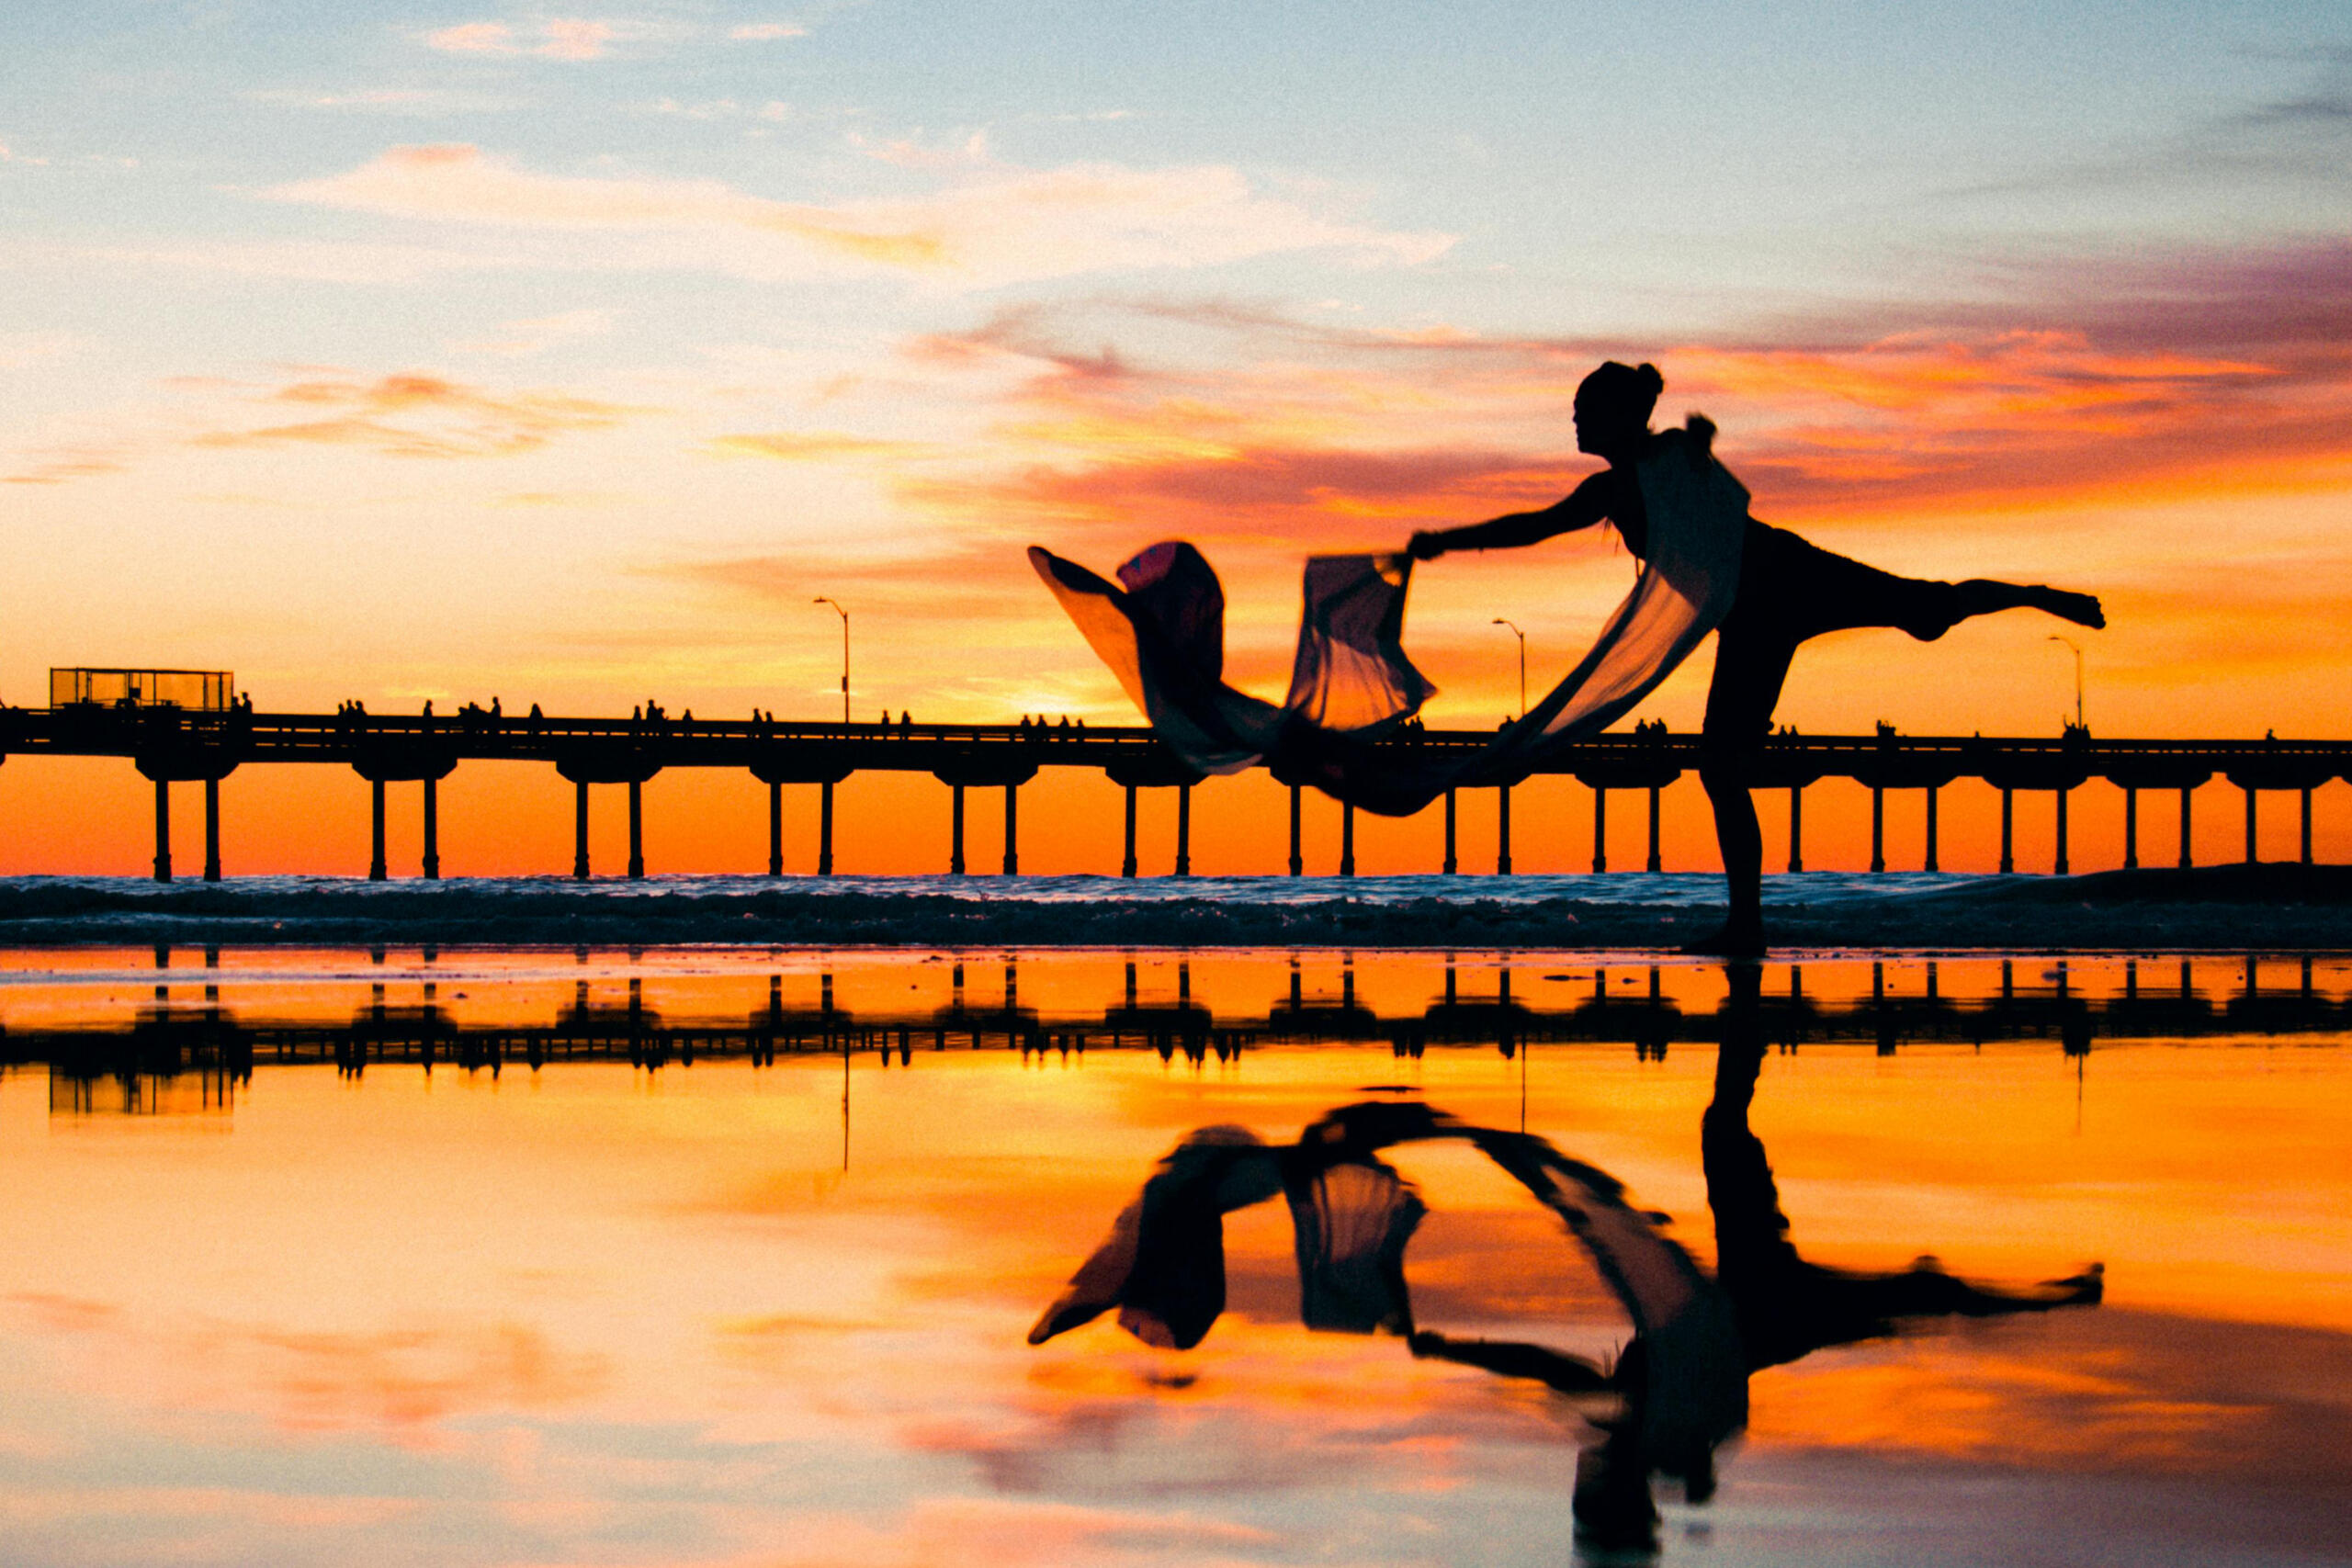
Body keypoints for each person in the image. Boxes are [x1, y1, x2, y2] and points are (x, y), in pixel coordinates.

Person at [1408, 361, 2103, 954]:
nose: (1574, 424)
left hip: (1788, 575)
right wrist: (1448, 539)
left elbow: (1697, 461)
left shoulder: (1667, 454)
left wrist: (1702, 444)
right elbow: (1531, 527)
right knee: (1720, 763)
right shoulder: (1606, 492)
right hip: (1750, 622)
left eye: (1584, 412)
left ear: (1621, 414)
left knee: (1930, 610)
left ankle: (2036, 594)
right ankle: (1747, 924)